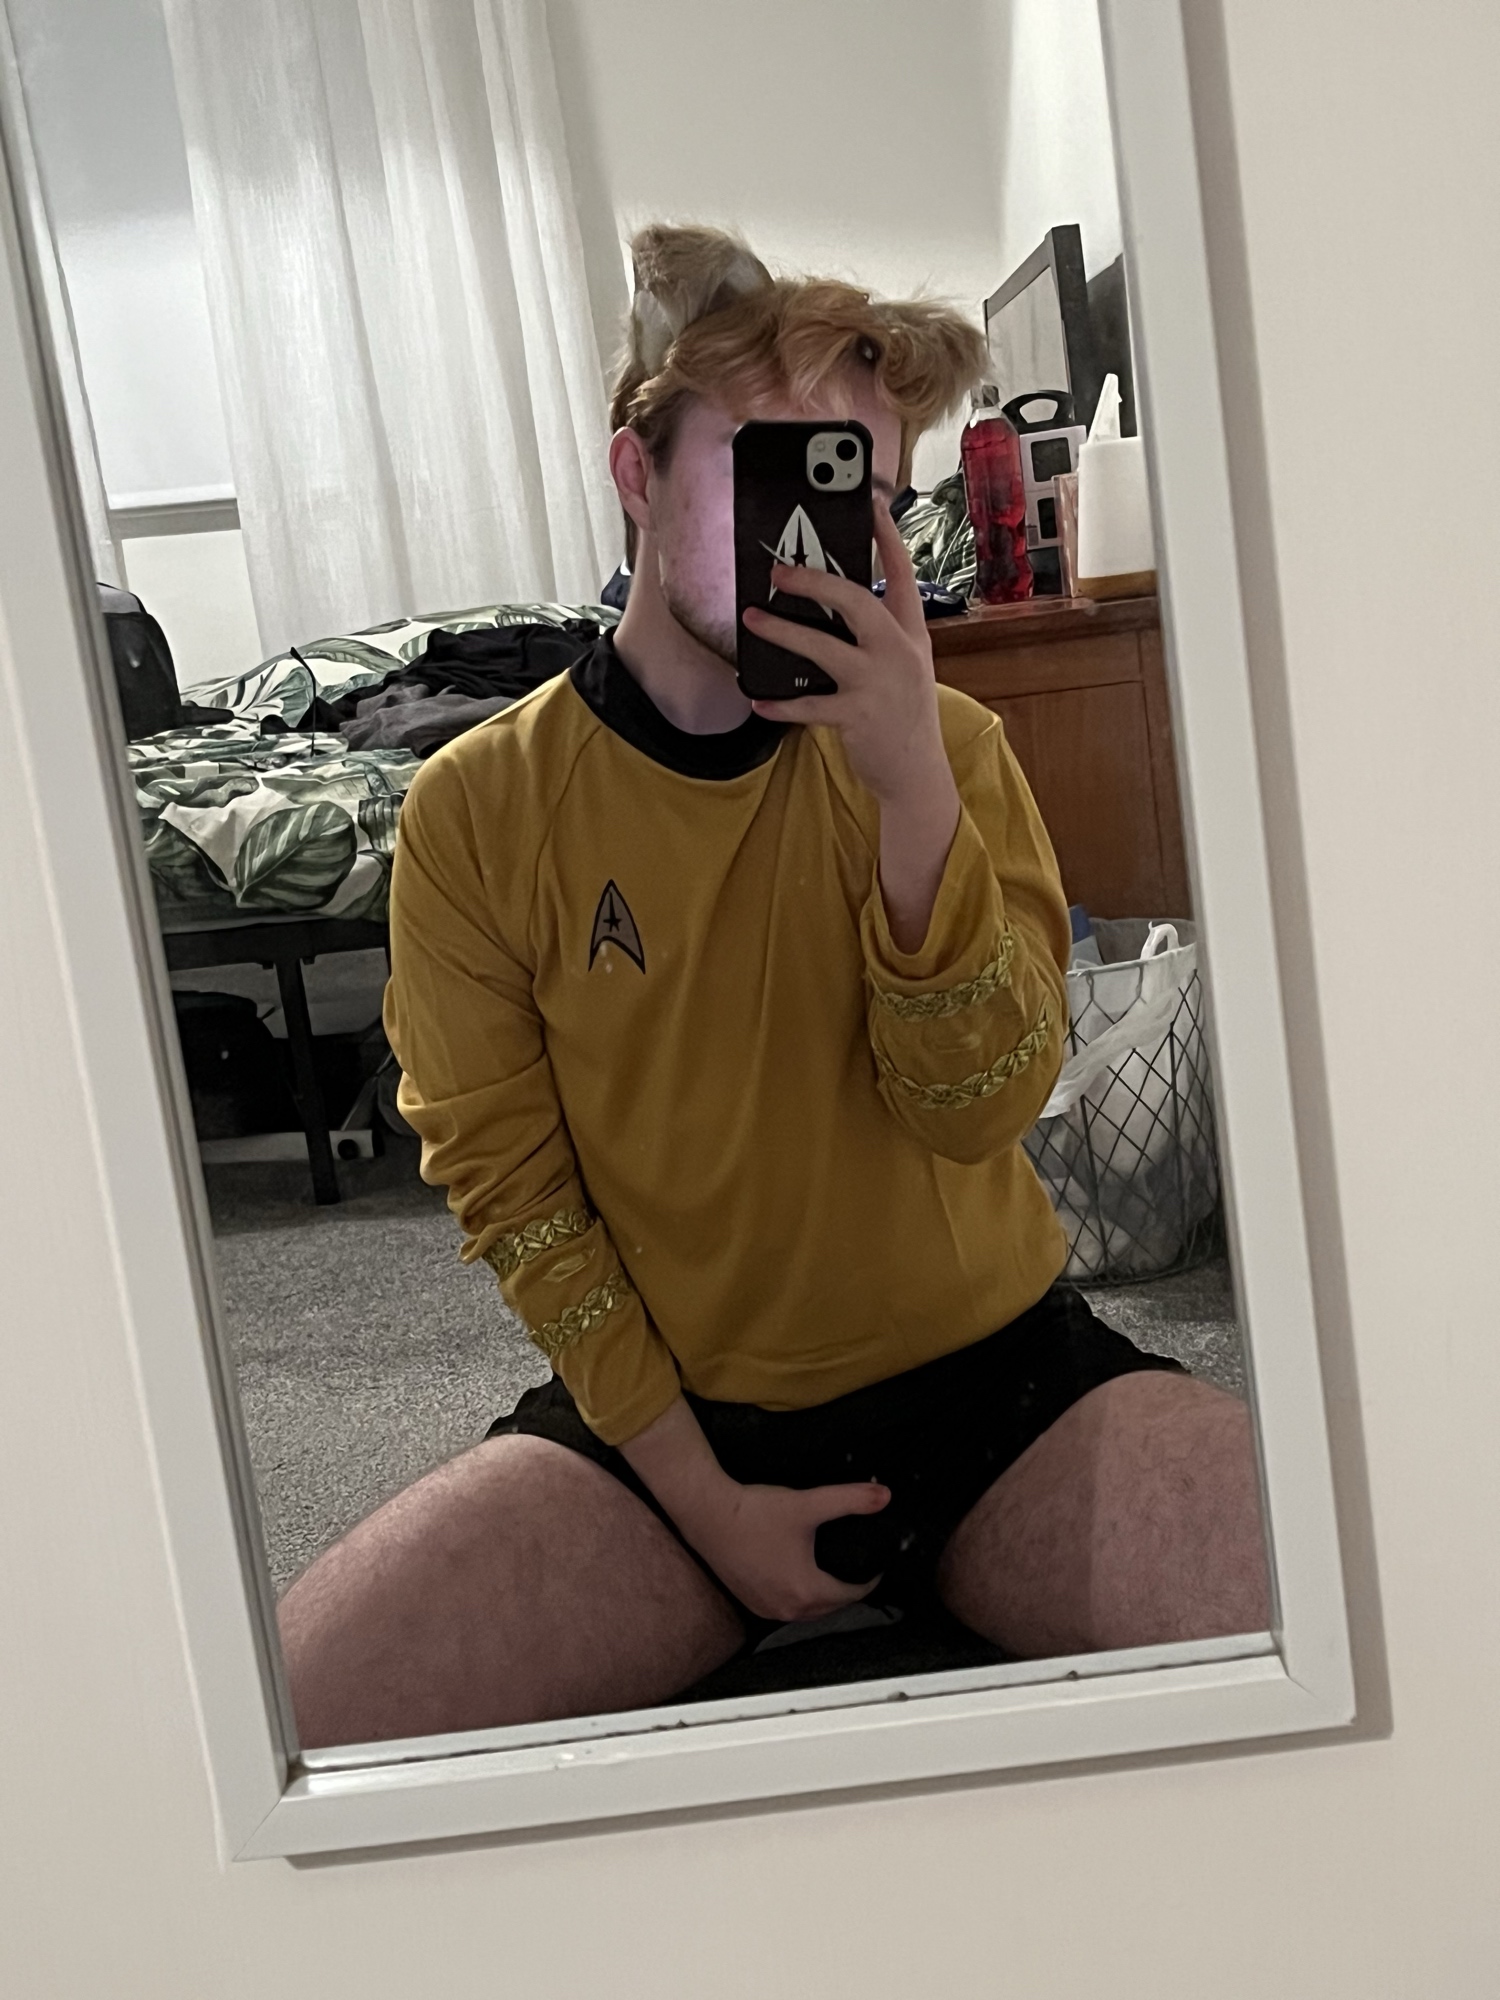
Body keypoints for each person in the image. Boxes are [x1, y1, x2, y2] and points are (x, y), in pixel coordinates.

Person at [278, 225, 1269, 1748]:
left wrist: (911, 797)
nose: (815, 533)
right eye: (772, 469)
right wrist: (700, 1498)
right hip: (674, 1431)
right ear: (637, 472)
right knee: (285, 1722)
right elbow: (513, 1190)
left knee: (1367, 1611)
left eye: (859, 489)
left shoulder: (950, 755)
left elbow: (979, 1109)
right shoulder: (477, 811)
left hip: (998, 1392)